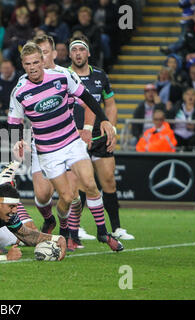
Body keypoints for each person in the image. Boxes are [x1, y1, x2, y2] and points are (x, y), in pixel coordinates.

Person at [8, 41, 123, 252]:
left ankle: (103, 232)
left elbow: (86, 96)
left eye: (36, 62)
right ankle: (63, 230)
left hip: (71, 142)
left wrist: (104, 119)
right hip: (47, 151)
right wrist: (18, 141)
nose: (32, 67)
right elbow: (14, 122)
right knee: (67, 197)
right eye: (27, 64)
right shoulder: (19, 91)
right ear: (23, 65)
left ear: (43, 61)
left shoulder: (62, 76)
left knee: (90, 185)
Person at [68, 35, 134, 246]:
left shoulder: (100, 75)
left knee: (108, 181)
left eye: (81, 49)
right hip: (75, 139)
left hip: (99, 138)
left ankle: (116, 228)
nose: (78, 53)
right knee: (80, 185)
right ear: (70, 54)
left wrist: (111, 128)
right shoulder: (64, 75)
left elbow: (111, 104)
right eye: (74, 50)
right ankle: (76, 229)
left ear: (88, 53)